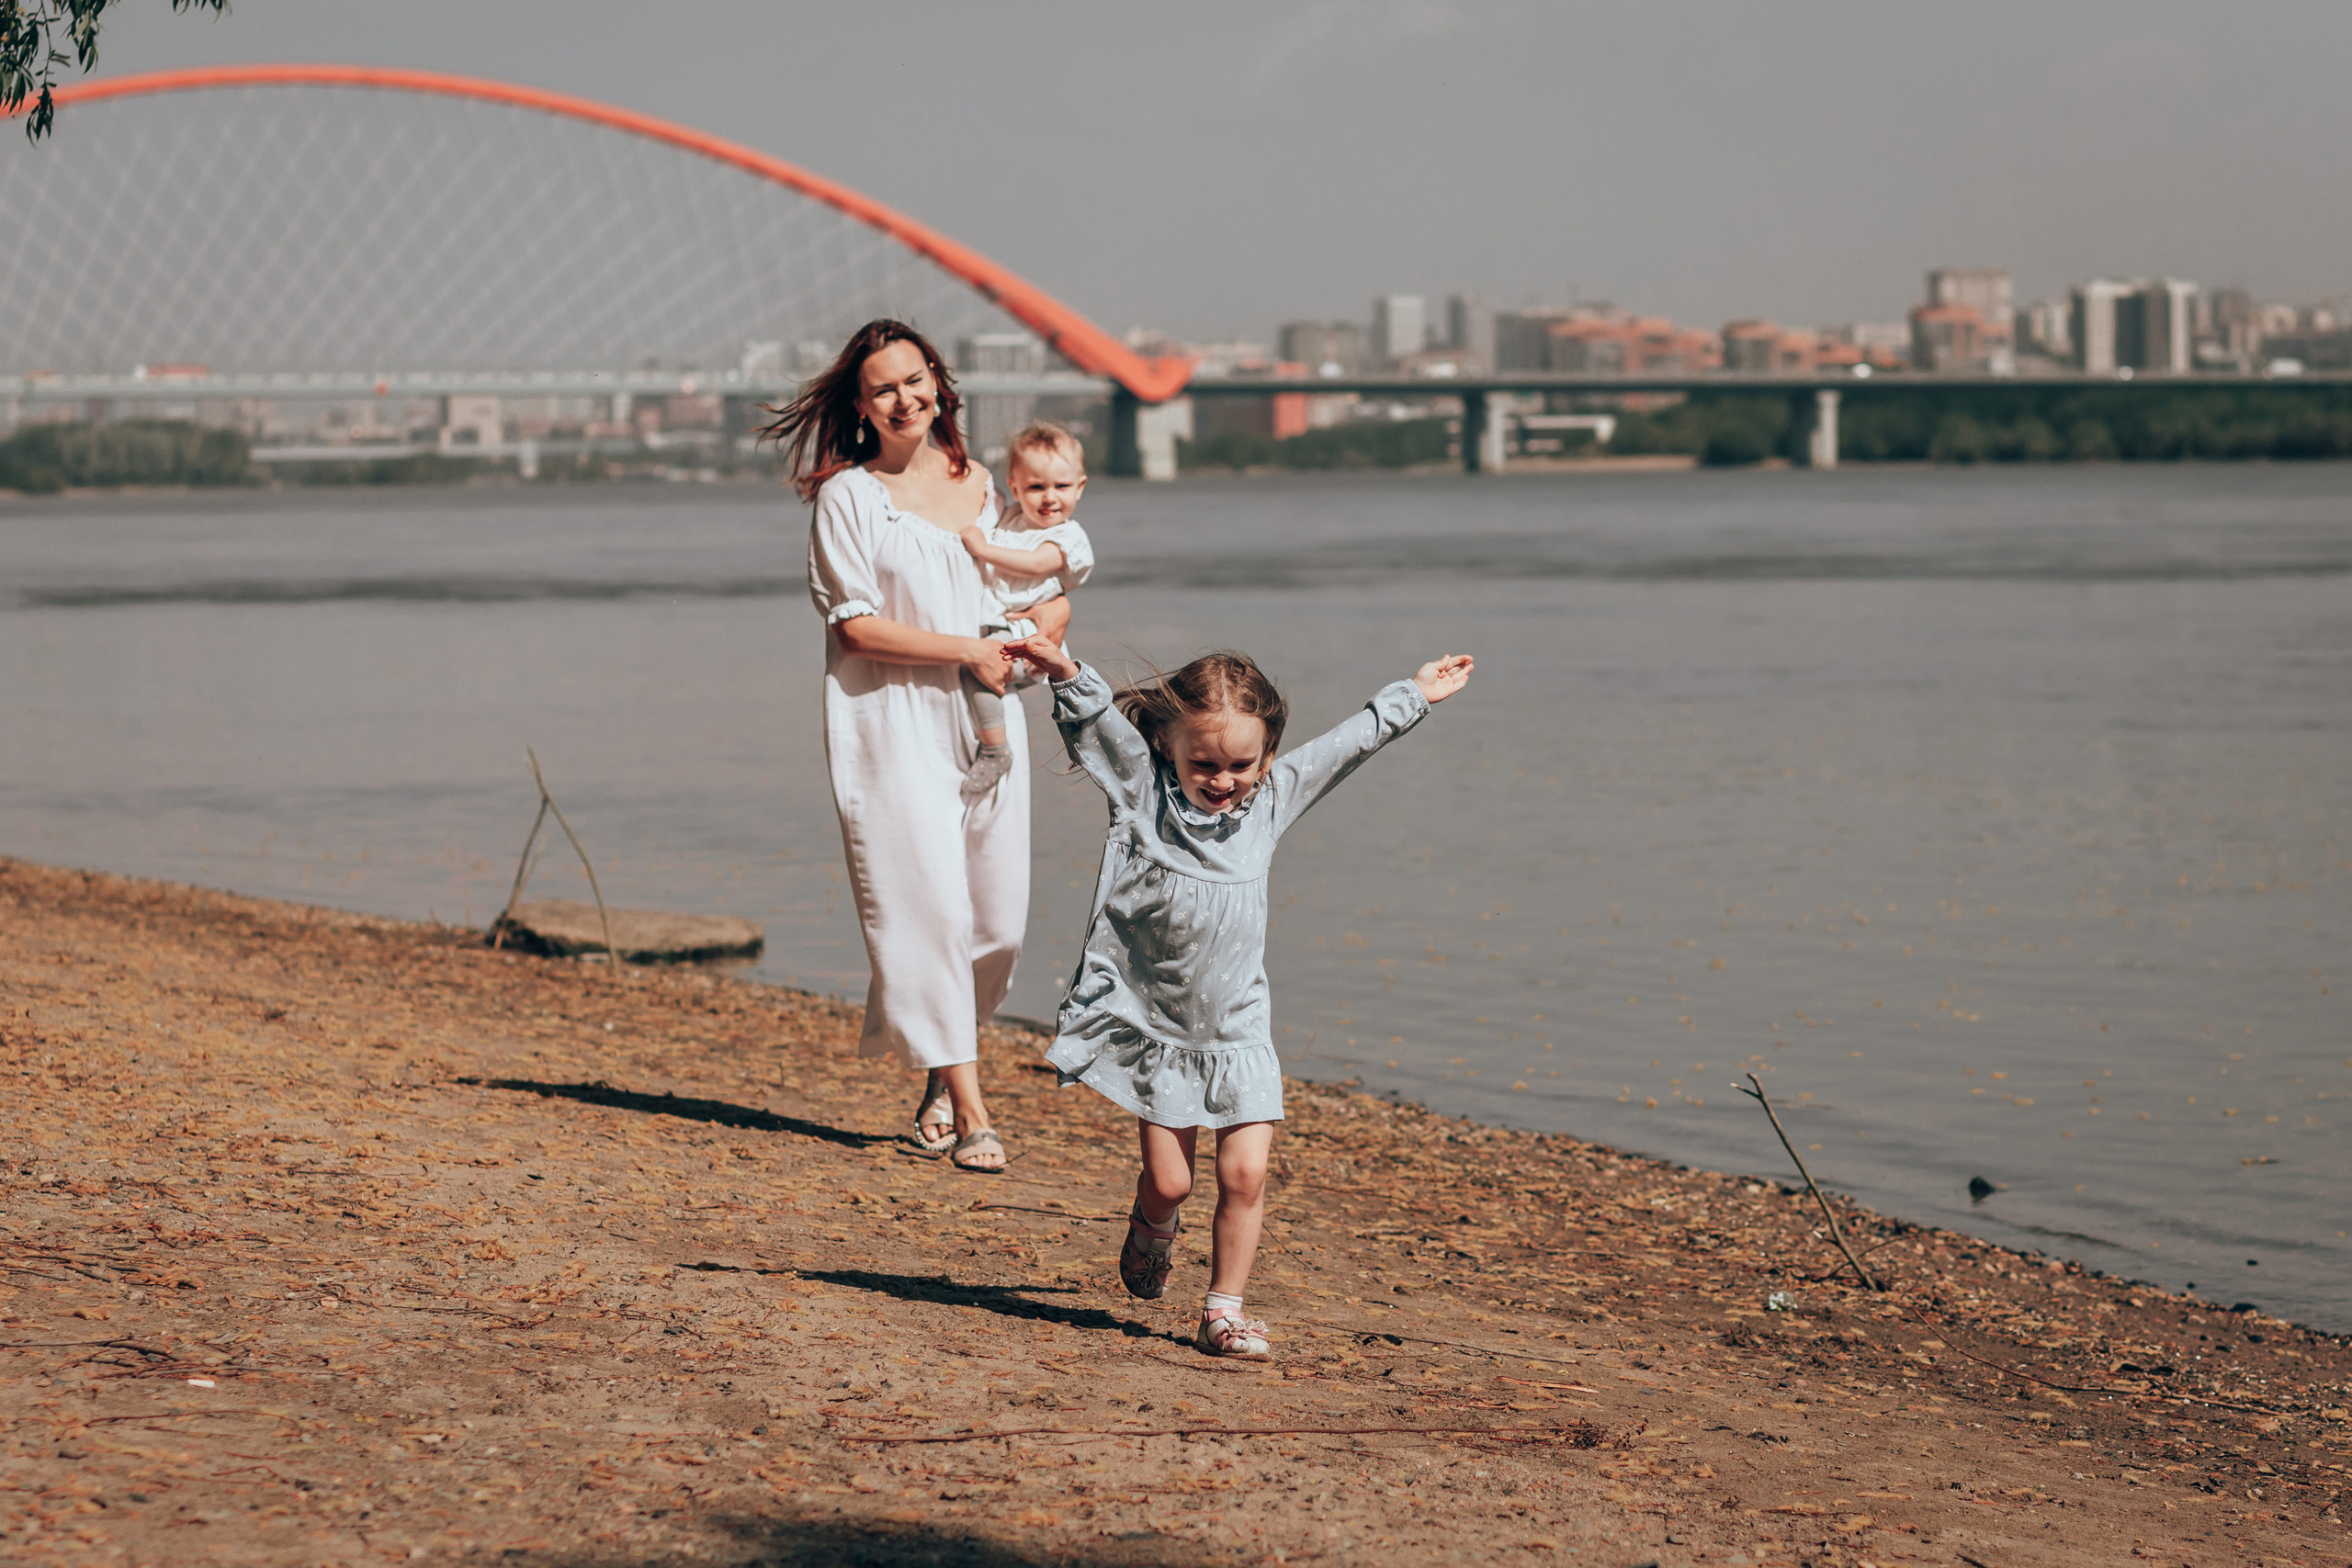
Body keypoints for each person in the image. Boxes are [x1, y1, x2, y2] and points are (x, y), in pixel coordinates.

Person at [997, 634, 1475, 1356]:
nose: (1224, 780)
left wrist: (1414, 694)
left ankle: (1223, 1309)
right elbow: (1099, 727)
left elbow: (1347, 745)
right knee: (1170, 1183)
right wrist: (1064, 669)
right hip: (1158, 1031)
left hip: (1241, 1033)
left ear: (1269, 755)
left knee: (1245, 1172)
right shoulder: (1143, 795)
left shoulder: (1272, 802)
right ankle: (1151, 1224)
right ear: (1165, 744)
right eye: (1206, 763)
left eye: (1241, 764)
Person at [763, 319, 1024, 1173]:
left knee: (997, 919)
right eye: (885, 388)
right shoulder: (849, 497)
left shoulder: (985, 487)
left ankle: (940, 1071)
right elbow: (857, 628)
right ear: (862, 406)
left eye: (917, 381)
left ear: (939, 385)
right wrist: (965, 649)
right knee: (930, 910)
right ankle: (972, 1107)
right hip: (889, 723)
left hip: (986, 713)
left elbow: (1031, 588)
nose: (905, 398)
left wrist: (1037, 637)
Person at [954, 422, 1095, 804]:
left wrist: (981, 549)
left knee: (974, 669)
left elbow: (1034, 564)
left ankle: (995, 748)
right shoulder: (1012, 519)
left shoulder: (1070, 538)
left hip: (1025, 636)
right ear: (1014, 487)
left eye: (1061, 487)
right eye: (1036, 487)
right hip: (1001, 624)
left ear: (1079, 487)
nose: (1049, 498)